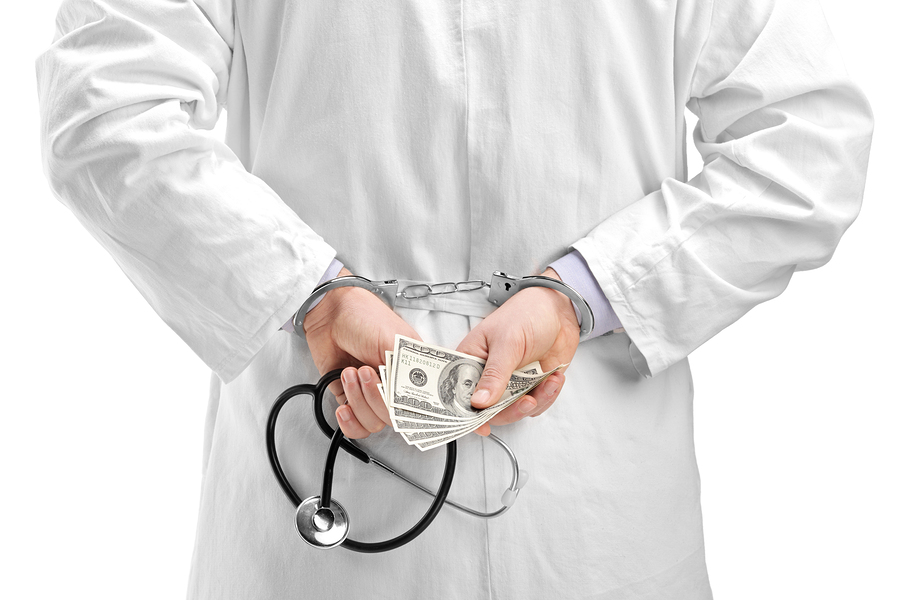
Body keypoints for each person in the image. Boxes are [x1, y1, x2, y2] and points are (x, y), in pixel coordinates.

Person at [35, 0, 873, 597]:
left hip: (563, 514)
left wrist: (580, 294)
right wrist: (316, 293)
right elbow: (107, 112)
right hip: (442, 488)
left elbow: (808, 146)